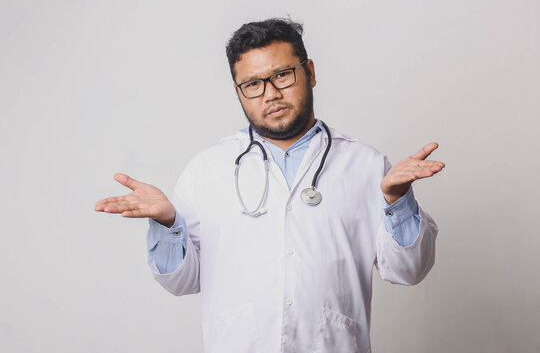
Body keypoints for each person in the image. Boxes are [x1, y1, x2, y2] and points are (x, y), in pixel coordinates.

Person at [95, 17, 445, 353]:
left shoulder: (366, 165)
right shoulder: (207, 170)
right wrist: (168, 225)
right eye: (253, 84)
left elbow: (408, 270)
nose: (270, 94)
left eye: (283, 75)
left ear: (309, 72)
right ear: (239, 91)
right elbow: (181, 282)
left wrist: (397, 201)